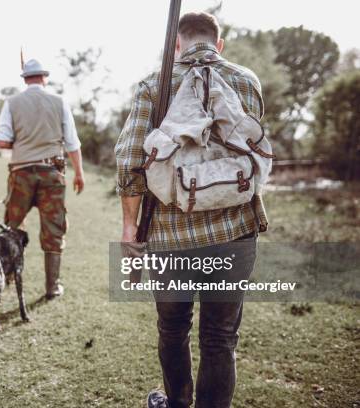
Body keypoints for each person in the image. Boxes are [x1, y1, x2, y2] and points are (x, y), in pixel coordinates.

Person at [115, 12, 268, 408]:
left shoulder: (154, 84)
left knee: (172, 330)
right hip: (236, 231)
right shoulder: (246, 80)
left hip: (170, 236)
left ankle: (177, 403)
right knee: (220, 338)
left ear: (176, 45)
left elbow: (131, 160)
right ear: (219, 44)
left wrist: (130, 228)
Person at [0, 58, 85, 299]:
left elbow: (3, 141)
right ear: (44, 77)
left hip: (21, 173)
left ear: (25, 79)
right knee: (54, 229)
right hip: (51, 174)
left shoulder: (11, 103)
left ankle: (8, 278)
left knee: (12, 226)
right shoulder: (60, 102)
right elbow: (72, 142)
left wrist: (21, 141)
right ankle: (52, 287)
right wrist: (79, 173)